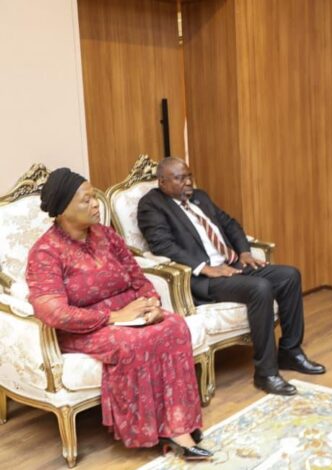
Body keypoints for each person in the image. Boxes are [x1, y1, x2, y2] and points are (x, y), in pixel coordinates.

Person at [26, 168, 212, 460]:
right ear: (62, 210)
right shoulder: (45, 253)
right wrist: (115, 317)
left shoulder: (106, 235)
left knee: (174, 325)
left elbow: (137, 277)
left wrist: (151, 304)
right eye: (86, 200)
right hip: (85, 328)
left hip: (130, 314)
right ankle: (154, 430)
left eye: (94, 197)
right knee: (133, 343)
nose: (95, 204)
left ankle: (177, 423)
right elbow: (55, 313)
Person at [137, 157, 325, 396]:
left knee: (289, 276)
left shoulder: (200, 197)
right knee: (260, 288)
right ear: (162, 182)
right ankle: (266, 373)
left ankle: (290, 352)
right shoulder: (151, 205)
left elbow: (230, 224)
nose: (188, 182)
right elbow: (162, 245)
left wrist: (244, 252)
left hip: (233, 265)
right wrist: (204, 268)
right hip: (206, 279)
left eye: (189, 176)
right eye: (180, 178)